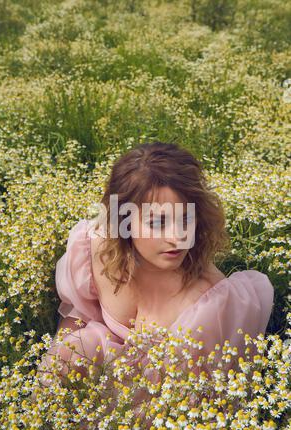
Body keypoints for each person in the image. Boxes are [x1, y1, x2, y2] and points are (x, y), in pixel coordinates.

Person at [36, 141, 274, 413]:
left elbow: (202, 397)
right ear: (122, 220)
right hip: (103, 367)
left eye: (185, 219)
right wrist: (55, 372)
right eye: (158, 222)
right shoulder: (96, 247)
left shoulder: (210, 301)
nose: (177, 238)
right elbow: (76, 319)